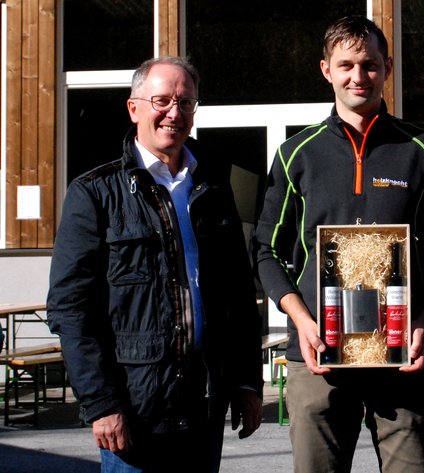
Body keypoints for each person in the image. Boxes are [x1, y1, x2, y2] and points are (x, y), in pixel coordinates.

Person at [254, 15, 424, 473]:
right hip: (319, 359)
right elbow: (266, 250)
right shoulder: (297, 154)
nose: (358, 76)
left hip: (404, 357)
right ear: (326, 70)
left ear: (387, 67)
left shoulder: (423, 150)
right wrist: (300, 319)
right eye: (346, 64)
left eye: (369, 65)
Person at [47, 56, 264, 473]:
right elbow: (70, 309)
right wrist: (101, 404)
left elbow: (237, 295)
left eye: (185, 103)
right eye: (161, 100)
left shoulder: (213, 187)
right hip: (134, 412)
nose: (173, 113)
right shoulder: (95, 193)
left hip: (204, 408)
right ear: (134, 108)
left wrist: (245, 381)